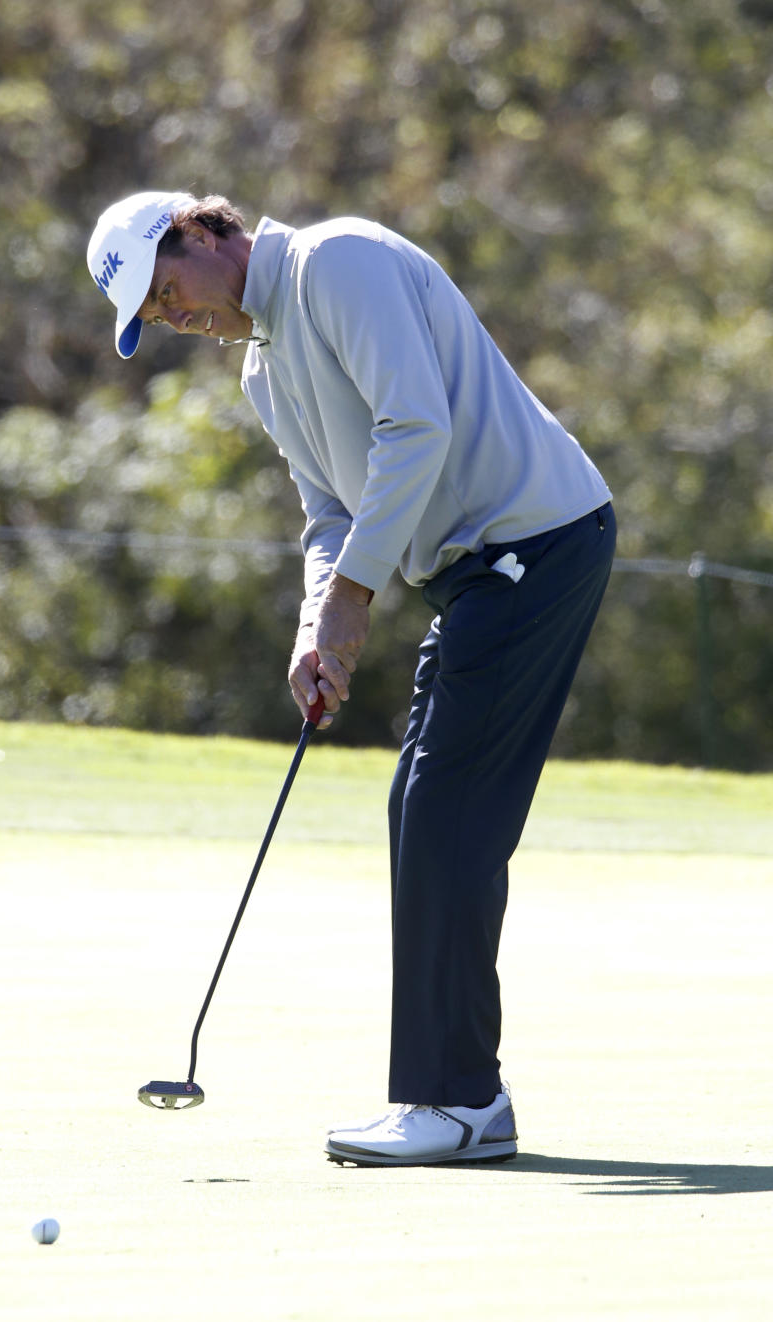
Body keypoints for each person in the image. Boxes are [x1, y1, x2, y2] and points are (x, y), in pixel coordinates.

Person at [87, 190, 616, 1166]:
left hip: (535, 546)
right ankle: (460, 1096)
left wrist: (357, 598)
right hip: (479, 572)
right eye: (157, 318)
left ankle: (453, 1101)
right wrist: (315, 628)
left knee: (447, 809)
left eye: (169, 289)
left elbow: (415, 428)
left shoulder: (337, 263)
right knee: (421, 807)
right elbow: (330, 514)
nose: (177, 316)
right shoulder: (264, 369)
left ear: (204, 232)